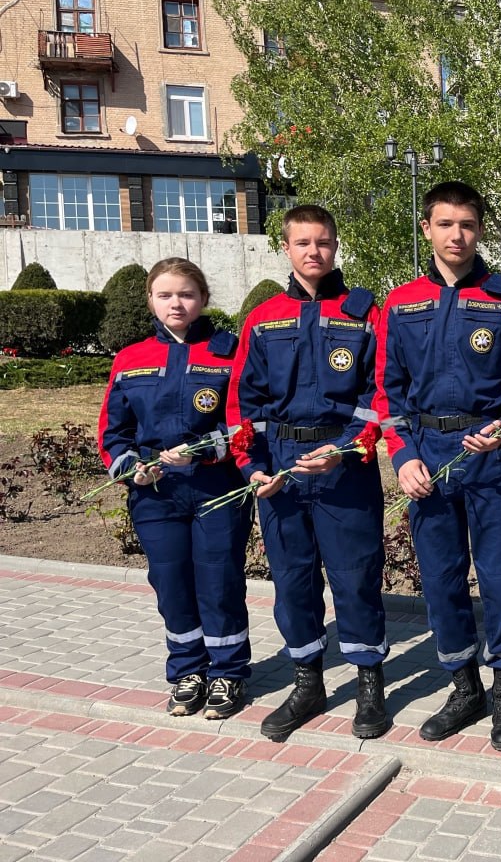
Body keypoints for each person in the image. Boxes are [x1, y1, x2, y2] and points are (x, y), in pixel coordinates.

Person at [376, 180, 501, 752]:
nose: (457, 235)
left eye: (467, 224)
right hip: (427, 460)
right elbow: (385, 392)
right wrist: (403, 457)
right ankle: (464, 686)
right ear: (427, 228)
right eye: (445, 224)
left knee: (500, 579)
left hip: (489, 459)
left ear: (480, 229)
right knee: (442, 579)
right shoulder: (401, 303)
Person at [228, 204, 388, 742]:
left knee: (356, 578)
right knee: (293, 581)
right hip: (282, 468)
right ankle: (308, 682)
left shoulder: (364, 313)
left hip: (344, 468)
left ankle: (369, 682)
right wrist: (253, 468)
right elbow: (243, 403)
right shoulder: (263, 317)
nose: (313, 251)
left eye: (322, 241)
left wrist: (346, 449)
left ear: (336, 245)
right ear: (286, 247)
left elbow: (379, 394)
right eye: (302, 243)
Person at [97, 259, 252, 719]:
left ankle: (228, 672)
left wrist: (203, 452)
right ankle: (188, 671)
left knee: (219, 582)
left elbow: (246, 423)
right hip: (155, 494)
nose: (176, 303)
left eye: (186, 294)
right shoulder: (130, 359)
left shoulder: (230, 353)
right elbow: (113, 433)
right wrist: (132, 470)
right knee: (171, 584)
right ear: (150, 300)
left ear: (203, 298)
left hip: (216, 487)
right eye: (165, 295)